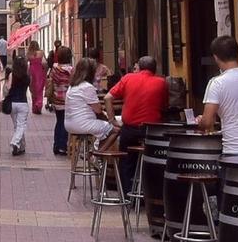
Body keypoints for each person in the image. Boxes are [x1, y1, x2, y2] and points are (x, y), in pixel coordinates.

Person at [107, 56, 168, 185]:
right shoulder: (161, 82)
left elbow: (108, 98)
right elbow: (164, 107)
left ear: (139, 67)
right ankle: (147, 191)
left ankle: (128, 193)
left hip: (130, 129)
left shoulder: (128, 78)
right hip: (151, 132)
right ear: (154, 69)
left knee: (127, 160)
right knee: (152, 161)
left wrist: (112, 120)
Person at [64, 57, 119, 151]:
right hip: (83, 124)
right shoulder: (87, 87)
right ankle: (98, 155)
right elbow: (98, 109)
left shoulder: (72, 86)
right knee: (115, 130)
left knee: (104, 129)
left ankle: (96, 151)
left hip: (70, 124)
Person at [48, 46, 74, 155]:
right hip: (67, 99)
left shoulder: (54, 69)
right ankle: (63, 146)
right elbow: (73, 83)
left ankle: (56, 144)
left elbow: (51, 82)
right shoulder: (71, 70)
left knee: (59, 121)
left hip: (56, 98)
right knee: (65, 122)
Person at [4, 56, 31, 156]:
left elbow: (8, 87)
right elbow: (30, 89)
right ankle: (15, 142)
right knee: (21, 126)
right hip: (23, 103)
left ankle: (21, 147)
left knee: (17, 126)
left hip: (13, 103)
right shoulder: (27, 76)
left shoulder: (12, 74)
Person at [27, 40, 46, 114]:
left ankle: (34, 108)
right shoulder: (41, 52)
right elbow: (44, 62)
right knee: (39, 89)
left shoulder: (29, 53)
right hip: (40, 72)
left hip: (31, 72)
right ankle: (39, 104)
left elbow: (26, 62)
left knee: (33, 89)